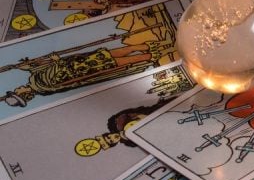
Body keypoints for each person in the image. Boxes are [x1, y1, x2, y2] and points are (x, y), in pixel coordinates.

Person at [1, 42, 173, 107]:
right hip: (86, 69)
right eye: (18, 92)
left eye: (16, 90)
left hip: (79, 61)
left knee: (116, 52)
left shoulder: (33, 79)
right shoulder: (42, 87)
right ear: (26, 95)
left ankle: (151, 46)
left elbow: (41, 68)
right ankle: (159, 51)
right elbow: (61, 77)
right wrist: (55, 61)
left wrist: (29, 66)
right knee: (121, 60)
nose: (18, 88)